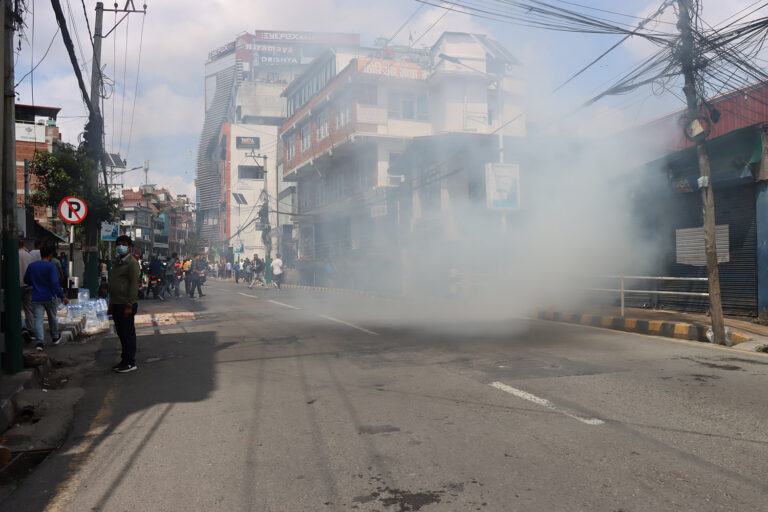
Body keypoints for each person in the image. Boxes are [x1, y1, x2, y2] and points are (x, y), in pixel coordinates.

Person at [24, 245, 69, 351]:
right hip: (50, 296)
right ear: (50, 255)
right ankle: (55, 337)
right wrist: (62, 297)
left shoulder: (32, 266)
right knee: (52, 317)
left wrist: (35, 283)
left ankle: (40, 342)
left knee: (38, 319)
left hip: (36, 297)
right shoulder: (51, 267)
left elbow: (26, 280)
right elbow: (54, 283)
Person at [108, 235, 140, 373]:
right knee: (121, 334)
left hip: (126, 304)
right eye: (119, 244)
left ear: (129, 247)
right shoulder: (118, 262)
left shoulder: (132, 263)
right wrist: (111, 304)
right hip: (116, 303)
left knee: (128, 334)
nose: (121, 246)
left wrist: (130, 305)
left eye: (124, 244)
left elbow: (133, 285)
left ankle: (130, 362)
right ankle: (124, 359)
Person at [18, 239, 35, 341]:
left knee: (16, 308)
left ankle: (23, 327)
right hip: (28, 286)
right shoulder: (29, 256)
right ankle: (31, 330)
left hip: (17, 285)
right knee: (28, 308)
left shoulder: (12, 254)